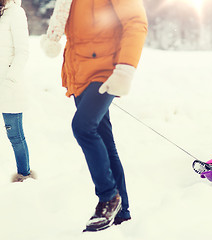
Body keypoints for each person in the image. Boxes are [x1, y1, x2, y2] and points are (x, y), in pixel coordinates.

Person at [41, 0, 148, 232]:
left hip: (107, 71)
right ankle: (122, 211)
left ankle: (109, 197)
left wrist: (125, 68)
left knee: (83, 127)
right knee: (104, 140)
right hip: (81, 74)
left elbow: (136, 23)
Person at [0, 0, 35, 182]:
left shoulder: (15, 13)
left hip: (9, 86)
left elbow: (23, 52)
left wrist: (10, 80)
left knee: (14, 135)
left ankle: (24, 175)